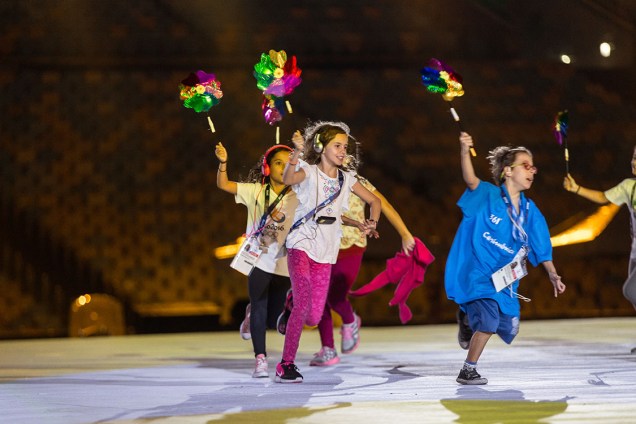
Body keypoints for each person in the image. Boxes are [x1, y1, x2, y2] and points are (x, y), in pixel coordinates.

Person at [445, 132, 566, 385]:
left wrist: (553, 274)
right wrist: (464, 151)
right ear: (508, 171)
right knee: (488, 322)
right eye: (525, 165)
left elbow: (541, 245)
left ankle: (466, 318)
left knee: (509, 327)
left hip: (504, 280)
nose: (532, 170)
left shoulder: (531, 211)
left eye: (533, 166)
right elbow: (470, 179)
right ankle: (468, 369)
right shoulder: (487, 194)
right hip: (478, 271)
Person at [274, 121, 381, 383]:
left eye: (345, 146)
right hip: (301, 243)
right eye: (337, 146)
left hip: (326, 248)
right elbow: (288, 178)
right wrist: (296, 154)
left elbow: (374, 201)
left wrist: (369, 222)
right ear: (321, 147)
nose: (343, 151)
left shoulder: (347, 179)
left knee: (311, 315)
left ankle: (290, 303)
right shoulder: (308, 172)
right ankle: (285, 364)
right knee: (303, 305)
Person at [308, 178, 415, 366]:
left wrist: (405, 234)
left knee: (336, 297)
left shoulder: (357, 180)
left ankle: (349, 319)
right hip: (322, 244)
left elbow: (384, 204)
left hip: (351, 245)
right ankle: (328, 349)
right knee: (319, 296)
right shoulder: (317, 176)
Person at [214, 142, 298, 378]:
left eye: (288, 163)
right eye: (278, 163)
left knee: (273, 316)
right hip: (258, 257)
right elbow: (224, 184)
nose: (283, 168)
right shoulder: (256, 191)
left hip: (283, 261)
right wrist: (223, 163)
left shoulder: (299, 196)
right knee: (260, 305)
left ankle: (253, 314)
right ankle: (260, 359)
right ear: (268, 168)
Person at [563, 146, 636, 353]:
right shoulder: (628, 186)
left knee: (630, 290)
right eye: (633, 158)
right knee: (634, 295)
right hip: (634, 252)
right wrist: (576, 188)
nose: (633, 162)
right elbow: (604, 197)